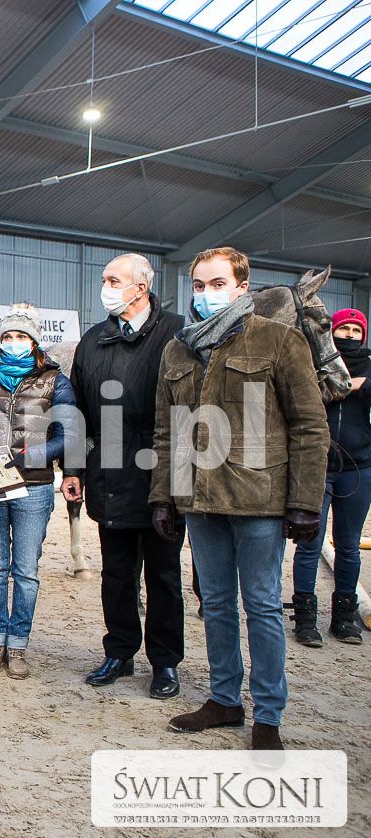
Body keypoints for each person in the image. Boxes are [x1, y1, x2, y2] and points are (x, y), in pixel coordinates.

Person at [150, 246, 327, 751]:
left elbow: (309, 425)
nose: (206, 294)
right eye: (199, 285)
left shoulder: (279, 340)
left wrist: (305, 501)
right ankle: (225, 699)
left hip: (259, 499)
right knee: (216, 604)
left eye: (217, 284)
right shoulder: (178, 350)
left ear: (242, 287)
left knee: (263, 605)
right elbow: (167, 432)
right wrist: (164, 496)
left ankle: (268, 714)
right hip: (200, 501)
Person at [62, 254, 186, 700]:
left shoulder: (176, 333)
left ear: (141, 287)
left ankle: (165, 661)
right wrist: (73, 469)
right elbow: (76, 412)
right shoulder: (94, 340)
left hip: (163, 473)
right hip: (109, 472)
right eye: (105, 279)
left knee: (164, 575)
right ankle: (119, 651)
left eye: (114, 280)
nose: (106, 287)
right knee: (116, 574)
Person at [0, 303, 78, 680]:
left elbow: (69, 434)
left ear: (34, 341)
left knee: (26, 570)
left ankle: (19, 643)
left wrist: (34, 454)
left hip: (35, 485)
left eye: (21, 336)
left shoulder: (55, 381)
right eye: (8, 336)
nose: (13, 342)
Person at [290, 307, 371, 647]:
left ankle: (344, 618)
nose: (349, 336)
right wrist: (342, 385)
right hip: (317, 467)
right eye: (344, 329)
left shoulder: (370, 369)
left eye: (356, 331)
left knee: (349, 546)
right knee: (310, 543)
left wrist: (361, 385)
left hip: (359, 468)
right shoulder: (312, 365)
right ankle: (305, 619)